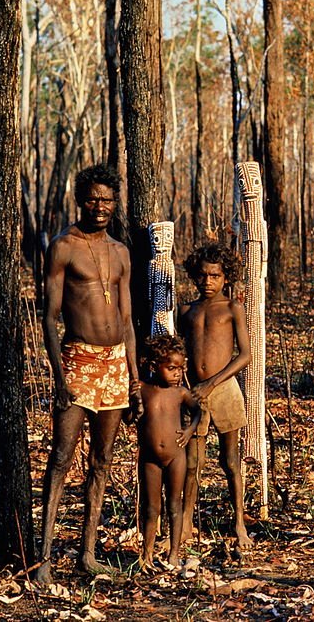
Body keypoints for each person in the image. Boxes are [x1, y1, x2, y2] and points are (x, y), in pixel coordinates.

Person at [37, 164, 140, 583]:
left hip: (116, 361)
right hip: (78, 359)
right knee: (61, 458)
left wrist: (134, 380)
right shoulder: (63, 247)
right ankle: (42, 556)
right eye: (94, 199)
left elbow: (129, 319)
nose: (100, 207)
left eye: (108, 200)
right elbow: (49, 317)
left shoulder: (120, 252)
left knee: (102, 460)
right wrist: (59, 378)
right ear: (80, 200)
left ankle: (88, 553)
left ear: (115, 205)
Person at [178, 242, 254, 551]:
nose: (208, 282)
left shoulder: (232, 308)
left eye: (215, 276)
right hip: (194, 394)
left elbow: (245, 355)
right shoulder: (186, 310)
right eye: (203, 276)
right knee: (193, 462)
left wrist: (212, 383)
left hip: (224, 390)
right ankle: (185, 521)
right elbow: (179, 350)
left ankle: (239, 522)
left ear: (226, 277)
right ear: (195, 276)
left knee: (230, 461)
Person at [137, 334, 201, 571]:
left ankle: (174, 554)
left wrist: (189, 431)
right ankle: (147, 553)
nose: (177, 373)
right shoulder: (143, 389)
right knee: (152, 508)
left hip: (176, 456)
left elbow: (198, 412)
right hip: (150, 458)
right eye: (171, 368)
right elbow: (128, 417)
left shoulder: (181, 393)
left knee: (175, 503)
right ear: (155, 366)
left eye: (180, 368)